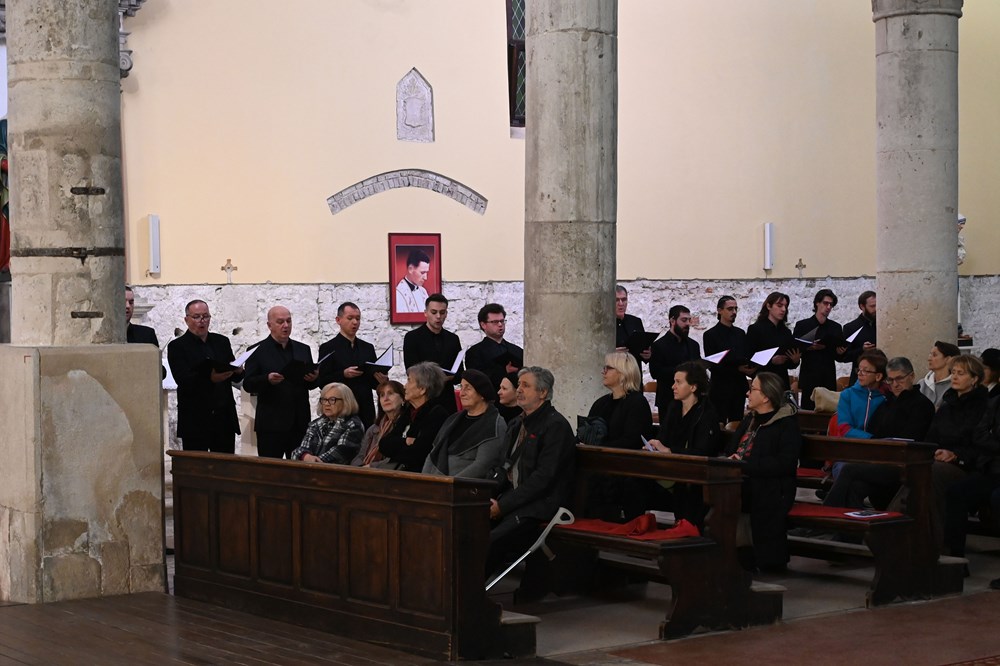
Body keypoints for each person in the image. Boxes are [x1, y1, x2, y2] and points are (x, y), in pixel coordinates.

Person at [486, 366, 576, 578]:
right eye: (519, 385)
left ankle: (470, 591)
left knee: (490, 541)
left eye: (525, 386)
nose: (518, 390)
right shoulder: (517, 423)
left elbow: (543, 479)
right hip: (513, 498)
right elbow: (502, 466)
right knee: (464, 528)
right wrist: (487, 497)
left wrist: (502, 506)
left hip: (541, 505)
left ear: (543, 392)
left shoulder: (556, 426)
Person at [824, 356, 936, 510]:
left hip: (904, 464)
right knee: (855, 486)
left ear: (911, 376)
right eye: (890, 380)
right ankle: (850, 524)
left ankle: (826, 510)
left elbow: (913, 438)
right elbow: (873, 432)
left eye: (899, 379)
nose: (895, 384)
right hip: (881, 460)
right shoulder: (887, 403)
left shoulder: (922, 405)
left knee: (848, 468)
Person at [726, 372, 801, 572]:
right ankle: (728, 552)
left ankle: (758, 557)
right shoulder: (750, 419)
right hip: (743, 478)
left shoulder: (786, 424)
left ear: (766, 396)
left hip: (774, 485)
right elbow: (732, 449)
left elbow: (785, 463)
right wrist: (733, 460)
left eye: (753, 389)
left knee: (746, 494)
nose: (747, 393)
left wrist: (744, 465)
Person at [633, 361, 723, 528]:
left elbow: (703, 451)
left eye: (678, 382)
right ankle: (635, 530)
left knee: (686, 491)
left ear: (693, 387)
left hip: (692, 475)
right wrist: (654, 447)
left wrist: (669, 450)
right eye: (674, 381)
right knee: (632, 482)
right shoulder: (674, 407)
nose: (673, 386)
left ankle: (684, 533)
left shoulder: (706, 413)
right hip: (669, 470)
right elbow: (663, 437)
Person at [926, 355, 991, 550]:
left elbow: (982, 445)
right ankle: (910, 535)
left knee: (931, 473)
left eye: (960, 373)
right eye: (953, 372)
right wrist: (935, 451)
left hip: (968, 465)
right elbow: (930, 437)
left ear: (974, 379)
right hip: (939, 460)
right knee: (917, 470)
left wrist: (955, 455)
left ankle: (937, 544)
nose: (954, 377)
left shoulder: (985, 406)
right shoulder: (947, 406)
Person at [243, 305, 320, 459]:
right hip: (271, 424)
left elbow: (309, 385)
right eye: (280, 322)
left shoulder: (303, 349)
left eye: (288, 321)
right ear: (269, 325)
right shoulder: (257, 350)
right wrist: (267, 379)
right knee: (271, 469)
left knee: (299, 468)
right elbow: (248, 384)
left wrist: (314, 378)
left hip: (299, 422)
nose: (286, 325)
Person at [166, 299, 241, 453]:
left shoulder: (222, 341)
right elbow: (182, 379)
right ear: (186, 320)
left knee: (225, 465)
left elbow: (233, 376)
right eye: (196, 317)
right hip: (195, 418)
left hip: (223, 418)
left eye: (206, 316)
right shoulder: (177, 346)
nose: (202, 320)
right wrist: (210, 379)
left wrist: (238, 371)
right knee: (197, 465)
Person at [423, 369, 507, 478]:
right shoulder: (452, 420)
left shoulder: (494, 424)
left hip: (464, 486)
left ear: (482, 394)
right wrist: (424, 480)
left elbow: (483, 465)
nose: (462, 393)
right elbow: (433, 454)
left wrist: (451, 483)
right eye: (461, 387)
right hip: (437, 483)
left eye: (468, 388)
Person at [315, 302, 386, 430]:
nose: (355, 322)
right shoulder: (328, 348)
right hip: (341, 407)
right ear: (338, 320)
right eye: (350, 318)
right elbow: (322, 381)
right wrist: (343, 374)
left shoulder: (367, 348)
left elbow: (372, 382)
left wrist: (381, 381)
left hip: (365, 408)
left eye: (358, 319)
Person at [376, 361, 449, 471]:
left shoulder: (437, 414)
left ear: (422, 389)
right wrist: (406, 441)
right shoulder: (409, 411)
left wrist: (398, 445)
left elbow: (419, 453)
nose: (405, 386)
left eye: (409, 381)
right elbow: (384, 445)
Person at [403, 293, 463, 414]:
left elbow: (460, 372)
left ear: (446, 314)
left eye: (442, 312)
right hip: (423, 398)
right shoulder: (412, 337)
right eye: (434, 312)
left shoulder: (453, 339)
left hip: (447, 399)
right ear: (426, 313)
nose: (438, 316)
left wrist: (452, 377)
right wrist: (438, 378)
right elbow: (411, 370)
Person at [584, 351, 653, 450]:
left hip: (623, 458)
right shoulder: (600, 403)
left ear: (623, 372)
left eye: (608, 368)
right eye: (604, 368)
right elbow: (586, 433)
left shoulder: (637, 403)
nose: (603, 372)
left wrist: (597, 447)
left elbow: (633, 441)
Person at [793, 289, 848, 410]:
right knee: (808, 410)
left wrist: (839, 352)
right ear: (817, 303)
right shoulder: (803, 325)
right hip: (809, 373)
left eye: (831, 305)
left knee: (828, 410)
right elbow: (795, 347)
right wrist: (809, 347)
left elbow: (838, 356)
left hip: (827, 374)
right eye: (825, 303)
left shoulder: (835, 327)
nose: (828, 307)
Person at [703, 295, 753, 423]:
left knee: (736, 423)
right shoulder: (710, 335)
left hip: (738, 387)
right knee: (718, 424)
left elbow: (744, 356)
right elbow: (713, 365)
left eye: (736, 309)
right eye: (730, 309)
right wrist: (737, 368)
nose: (734, 312)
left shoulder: (740, 333)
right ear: (720, 310)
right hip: (720, 388)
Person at [289, 383, 365, 464]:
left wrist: (313, 461)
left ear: (346, 402)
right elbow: (298, 451)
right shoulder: (316, 423)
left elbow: (340, 453)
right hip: (311, 469)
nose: (326, 404)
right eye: (324, 400)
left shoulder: (353, 425)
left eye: (332, 400)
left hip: (336, 471)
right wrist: (305, 456)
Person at [649, 305, 701, 414]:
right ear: (672, 321)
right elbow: (655, 372)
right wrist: (682, 371)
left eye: (689, 320)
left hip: (692, 400)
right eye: (684, 320)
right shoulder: (659, 345)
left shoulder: (694, 345)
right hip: (668, 400)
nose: (687, 324)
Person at [745, 292, 800, 390]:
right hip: (763, 382)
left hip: (782, 381)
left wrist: (795, 360)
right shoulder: (755, 329)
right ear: (769, 306)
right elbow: (749, 359)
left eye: (785, 306)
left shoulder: (786, 332)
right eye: (779, 305)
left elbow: (790, 362)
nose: (783, 309)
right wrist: (771, 361)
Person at [465, 303, 523, 391]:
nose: (500, 324)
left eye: (502, 321)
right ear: (483, 325)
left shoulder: (516, 350)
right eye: (495, 322)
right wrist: (504, 372)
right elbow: (477, 381)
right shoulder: (475, 352)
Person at [352, 381, 406, 467]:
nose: (386, 398)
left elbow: (396, 459)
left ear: (403, 399)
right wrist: (357, 469)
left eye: (390, 393)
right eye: (382, 395)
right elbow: (360, 456)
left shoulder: (407, 426)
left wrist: (371, 467)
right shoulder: (373, 429)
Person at [126, 285, 165, 378]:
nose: (128, 306)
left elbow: (161, 371)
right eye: (122, 301)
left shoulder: (147, 334)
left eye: (131, 302)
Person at [842, 291, 877, 385]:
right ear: (862, 306)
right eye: (872, 306)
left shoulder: (883, 325)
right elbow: (844, 356)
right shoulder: (851, 328)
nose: (876, 309)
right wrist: (862, 350)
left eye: (877, 305)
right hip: (859, 379)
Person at [614, 285, 651, 368]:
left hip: (634, 371)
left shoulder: (635, 322)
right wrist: (612, 353)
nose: (621, 303)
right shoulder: (604, 325)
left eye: (624, 300)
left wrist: (647, 354)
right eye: (616, 300)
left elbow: (642, 349)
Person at [920, 340, 962, 408]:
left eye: (934, 355)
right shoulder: (921, 384)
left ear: (948, 359)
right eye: (930, 354)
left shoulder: (956, 384)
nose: (929, 359)